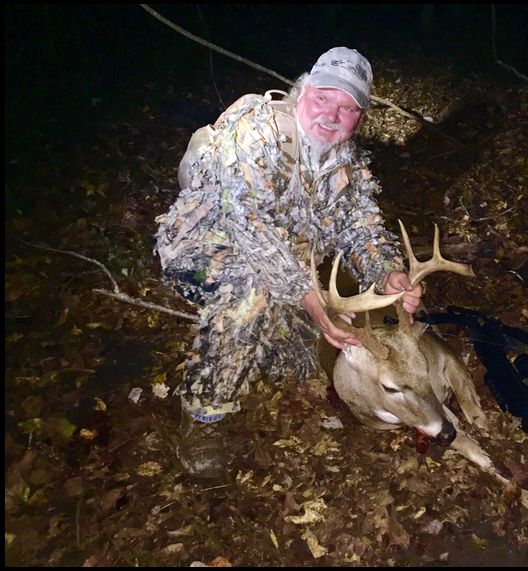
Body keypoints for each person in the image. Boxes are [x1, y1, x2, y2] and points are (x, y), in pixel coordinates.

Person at [154, 47, 423, 479]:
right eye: (323, 99)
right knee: (253, 294)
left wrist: (388, 272)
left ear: (360, 116)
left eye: (347, 108)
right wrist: (312, 304)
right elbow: (252, 229)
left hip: (282, 258)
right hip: (200, 250)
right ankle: (203, 415)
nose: (331, 116)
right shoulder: (255, 131)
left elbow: (362, 230)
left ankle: (266, 336)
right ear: (302, 91)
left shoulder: (344, 162)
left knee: (294, 354)